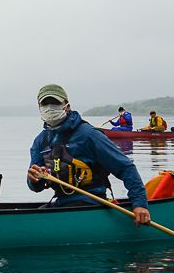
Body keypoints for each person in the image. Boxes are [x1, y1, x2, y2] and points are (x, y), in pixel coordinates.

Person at [27, 84, 151, 225]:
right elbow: (35, 186)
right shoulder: (40, 141)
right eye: (45, 104)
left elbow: (125, 168)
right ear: (39, 108)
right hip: (61, 203)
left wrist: (139, 203)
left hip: (92, 202)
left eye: (55, 103)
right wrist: (34, 179)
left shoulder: (89, 135)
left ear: (66, 106)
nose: (50, 108)